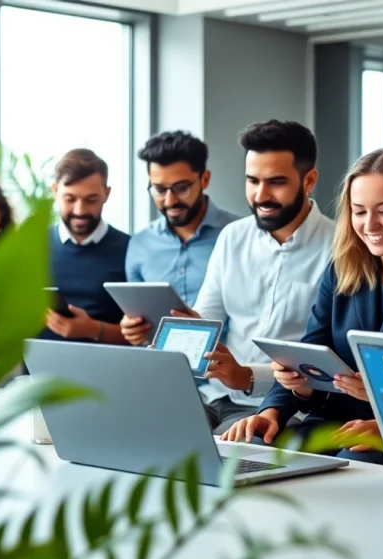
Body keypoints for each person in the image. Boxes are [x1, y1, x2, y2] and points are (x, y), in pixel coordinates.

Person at [221, 147, 383, 464]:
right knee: (255, 443)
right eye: (359, 211)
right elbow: (311, 351)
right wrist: (273, 409)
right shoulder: (343, 271)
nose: (370, 224)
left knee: (356, 460)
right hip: (332, 424)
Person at [124, 120, 334, 434]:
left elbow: (325, 360)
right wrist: (182, 329)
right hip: (214, 396)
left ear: (309, 180)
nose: (261, 195)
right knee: (139, 429)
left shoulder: (340, 246)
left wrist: (248, 376)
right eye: (252, 181)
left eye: (276, 182)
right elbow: (207, 318)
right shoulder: (232, 237)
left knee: (225, 453)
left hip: (285, 409)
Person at [122, 131, 238, 342]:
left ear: (205, 179)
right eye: (158, 189)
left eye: (181, 188)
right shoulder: (140, 244)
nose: (169, 201)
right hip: (160, 367)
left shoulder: (238, 236)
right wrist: (132, 328)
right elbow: (138, 316)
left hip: (224, 368)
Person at [41, 148, 129, 344]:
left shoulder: (131, 250)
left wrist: (94, 330)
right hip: (37, 372)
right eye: (70, 199)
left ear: (106, 194)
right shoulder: (32, 248)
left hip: (105, 371)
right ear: (55, 191)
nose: (80, 210)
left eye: (91, 200)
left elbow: (147, 335)